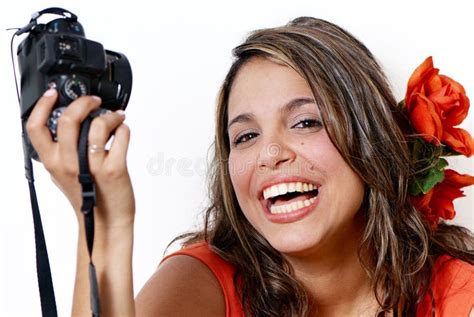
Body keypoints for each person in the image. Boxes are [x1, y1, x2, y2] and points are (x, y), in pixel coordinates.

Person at [26, 17, 474, 316]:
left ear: (371, 138)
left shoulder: (455, 287)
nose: (270, 153)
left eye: (304, 121)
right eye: (245, 136)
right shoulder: (204, 281)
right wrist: (105, 224)